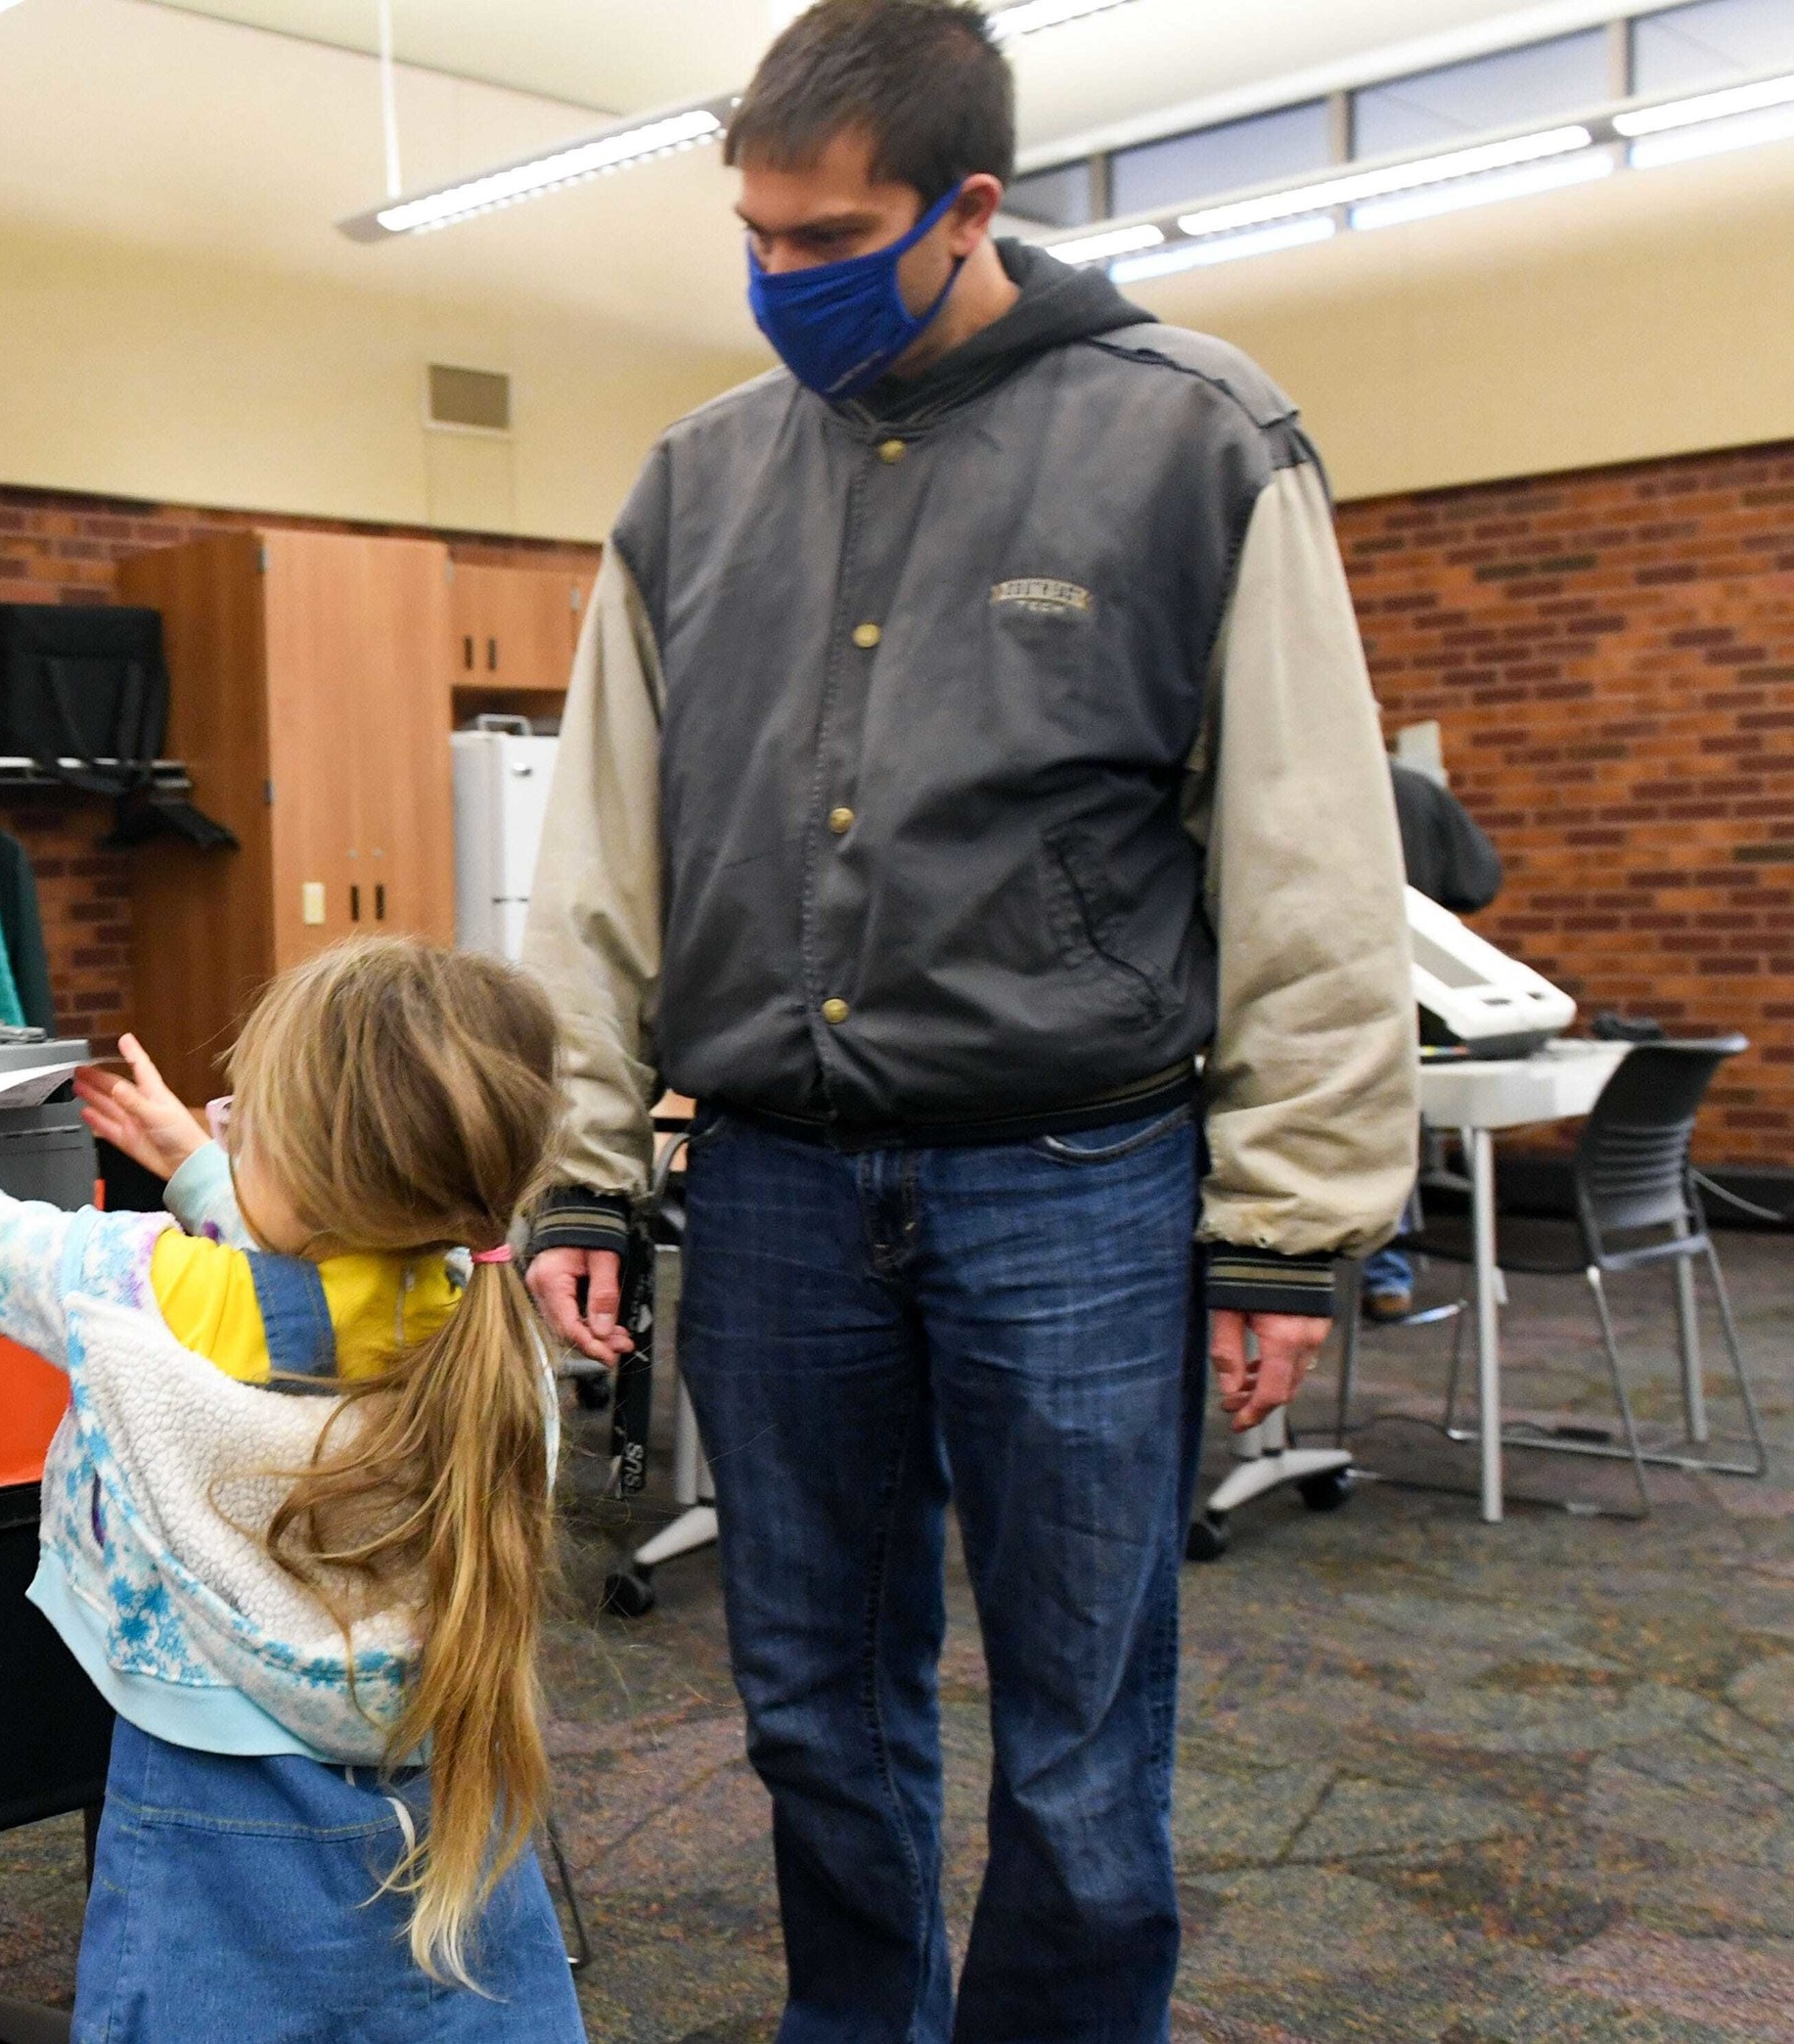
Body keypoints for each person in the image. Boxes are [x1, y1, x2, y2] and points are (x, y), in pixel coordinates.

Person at [517, 4, 1417, 2038]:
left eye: (830, 236)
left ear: (971, 206)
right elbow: (594, 866)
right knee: (814, 1723)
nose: (783, 279)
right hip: (770, 1187)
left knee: (1083, 1746)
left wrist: (1291, 1215)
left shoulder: (1197, 435)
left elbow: (1307, 855)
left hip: (1077, 1184)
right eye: (754, 234)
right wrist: (577, 1172)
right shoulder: (694, 484)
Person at [0, 939, 585, 2042]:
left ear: (307, 1163)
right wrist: (204, 1166)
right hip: (450, 1783)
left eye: (254, 1118)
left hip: (212, 1810)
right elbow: (329, 1277)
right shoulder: (483, 1325)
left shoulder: (136, 1294)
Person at [1366, 757, 1505, 1318]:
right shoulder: (1415, 789)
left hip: (1330, 992)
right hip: (1420, 992)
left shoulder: (1298, 780)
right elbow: (1478, 881)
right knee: (1396, 1120)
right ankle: (1388, 1277)